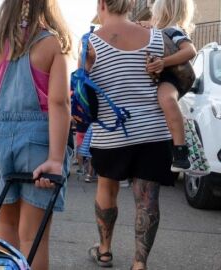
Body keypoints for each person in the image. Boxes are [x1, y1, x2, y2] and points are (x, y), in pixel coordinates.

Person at [0, 0, 72, 268]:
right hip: (37, 141)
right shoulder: (53, 44)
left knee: (5, 227)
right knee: (34, 237)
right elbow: (59, 102)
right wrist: (56, 158)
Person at [84, 1, 174, 269]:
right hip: (153, 132)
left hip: (109, 132)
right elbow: (181, 71)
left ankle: (104, 251)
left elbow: (81, 89)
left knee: (106, 187)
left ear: (101, 4)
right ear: (132, 4)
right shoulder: (158, 37)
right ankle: (139, 263)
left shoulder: (90, 42)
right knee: (147, 199)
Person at [145, 0, 197, 172]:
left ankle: (181, 152)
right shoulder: (154, 31)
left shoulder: (173, 30)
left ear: (164, 10)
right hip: (158, 77)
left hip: (171, 76)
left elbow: (190, 51)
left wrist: (163, 62)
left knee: (167, 99)